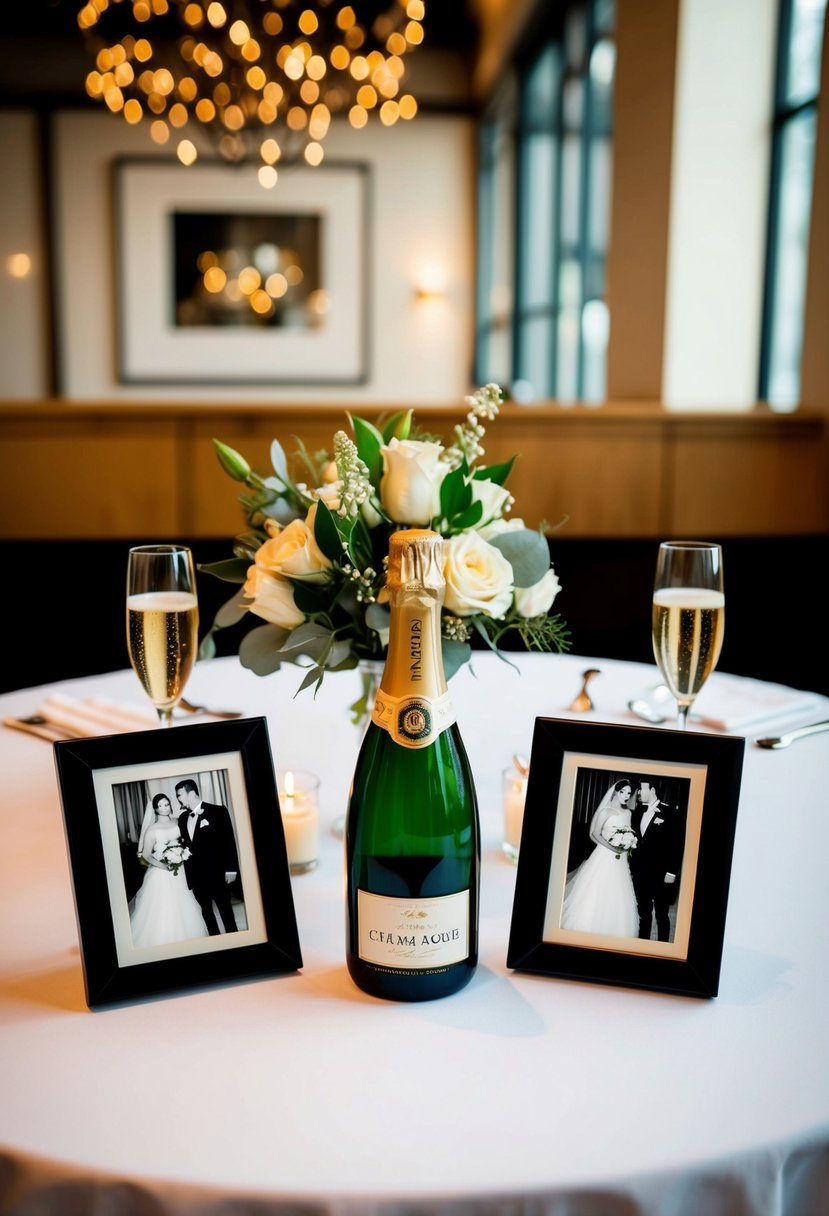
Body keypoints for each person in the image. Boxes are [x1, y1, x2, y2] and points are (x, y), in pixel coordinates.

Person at [560, 778, 639, 937]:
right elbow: (595, 833)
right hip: (604, 856)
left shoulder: (628, 813)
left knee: (619, 890)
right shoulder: (606, 811)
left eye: (629, 793)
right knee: (597, 888)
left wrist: (628, 842)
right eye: (622, 792)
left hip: (621, 859)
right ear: (616, 792)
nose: (625, 795)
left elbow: (628, 831)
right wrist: (613, 847)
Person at [130, 792, 209, 948]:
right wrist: (164, 866)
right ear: (155, 809)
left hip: (181, 871)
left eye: (166, 804)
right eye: (160, 806)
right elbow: (146, 854)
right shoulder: (152, 829)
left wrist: (181, 855)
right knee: (163, 906)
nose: (164, 808)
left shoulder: (178, 822)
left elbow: (186, 842)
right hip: (161, 873)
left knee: (184, 903)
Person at [176, 778, 241, 935]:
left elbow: (229, 842)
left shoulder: (218, 811)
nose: (177, 798)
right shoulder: (183, 818)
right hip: (196, 877)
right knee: (207, 915)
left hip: (217, 874)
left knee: (226, 913)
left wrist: (231, 870)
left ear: (191, 793)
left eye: (179, 794)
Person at [630, 779, 682, 941]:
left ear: (652, 790)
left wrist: (672, 872)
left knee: (661, 913)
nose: (638, 792)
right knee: (643, 912)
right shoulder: (638, 810)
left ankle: (663, 946)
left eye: (641, 789)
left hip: (661, 873)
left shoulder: (670, 812)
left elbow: (677, 844)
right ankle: (643, 944)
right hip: (640, 872)